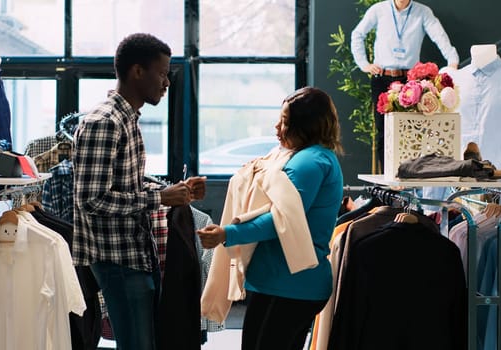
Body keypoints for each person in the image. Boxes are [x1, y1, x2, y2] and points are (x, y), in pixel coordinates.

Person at [72, 33, 206, 350]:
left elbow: (126, 182)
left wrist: (173, 190)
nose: (166, 82)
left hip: (132, 253)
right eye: (162, 73)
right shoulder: (105, 121)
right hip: (116, 257)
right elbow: (91, 199)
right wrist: (159, 198)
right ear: (136, 72)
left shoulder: (126, 118)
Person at [198, 87, 344, 349]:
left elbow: (280, 219)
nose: (277, 126)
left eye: (286, 121)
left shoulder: (309, 162)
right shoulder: (306, 157)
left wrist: (227, 233)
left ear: (307, 126)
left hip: (288, 286)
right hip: (285, 285)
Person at [350, 0, 459, 169]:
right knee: (383, 130)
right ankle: (387, 178)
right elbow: (357, 34)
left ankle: (410, 175)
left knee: (412, 130)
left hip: (410, 81)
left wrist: (452, 60)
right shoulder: (378, 10)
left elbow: (439, 36)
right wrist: (364, 64)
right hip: (382, 78)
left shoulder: (422, 12)